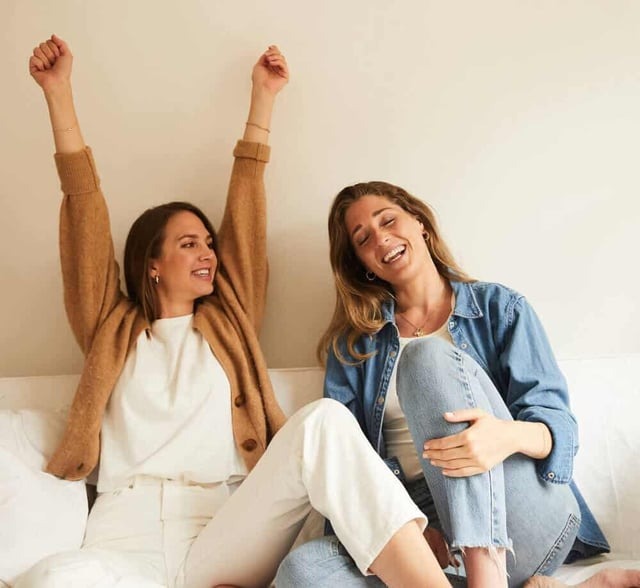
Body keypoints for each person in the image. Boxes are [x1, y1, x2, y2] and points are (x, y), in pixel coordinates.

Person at [19, 36, 456, 588]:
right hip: (123, 542)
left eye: (209, 242)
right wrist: (58, 94)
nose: (208, 253)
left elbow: (246, 208)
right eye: (188, 245)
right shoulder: (110, 328)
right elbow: (84, 214)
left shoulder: (230, 321)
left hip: (221, 532)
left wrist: (263, 98)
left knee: (323, 421)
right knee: (52, 578)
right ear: (151, 265)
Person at [277, 180, 639, 588]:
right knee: (303, 572)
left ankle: (487, 575)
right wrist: (405, 526)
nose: (380, 239)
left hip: (515, 508)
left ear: (420, 223)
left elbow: (559, 430)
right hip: (417, 521)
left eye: (388, 221)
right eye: (363, 239)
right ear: (364, 264)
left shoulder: (501, 309)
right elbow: (346, 465)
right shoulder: (353, 348)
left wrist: (503, 437)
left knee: (424, 359)